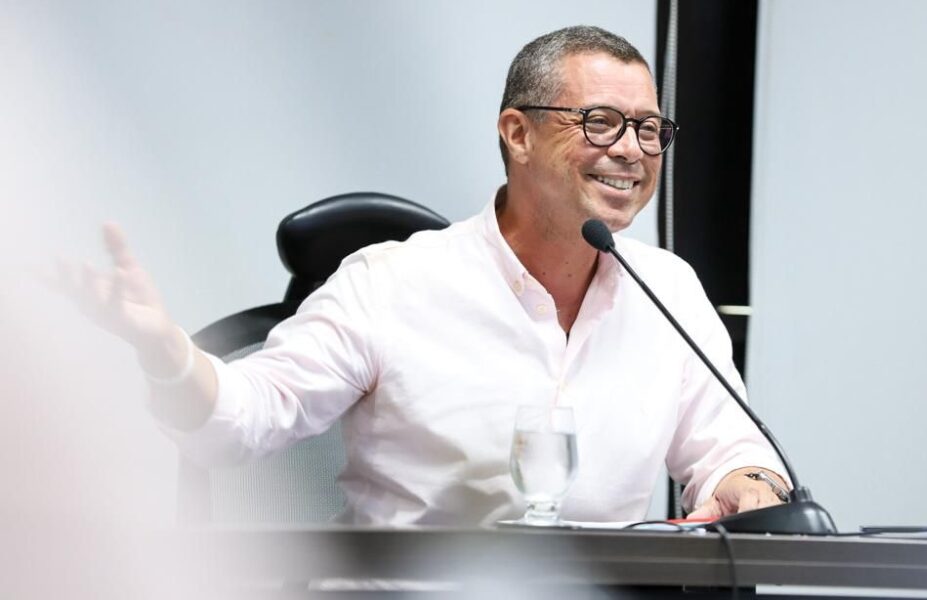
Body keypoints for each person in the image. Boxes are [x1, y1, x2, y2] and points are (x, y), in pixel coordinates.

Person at [67, 25, 789, 525]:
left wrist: (749, 485)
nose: (631, 150)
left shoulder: (667, 290)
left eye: (650, 129)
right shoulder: (391, 284)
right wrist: (165, 353)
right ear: (518, 133)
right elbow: (240, 419)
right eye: (600, 122)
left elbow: (734, 450)